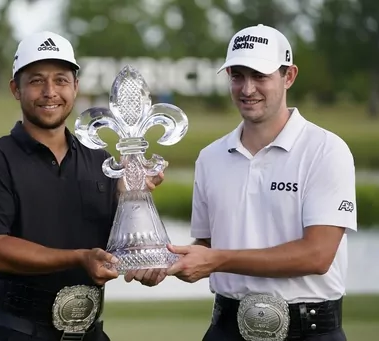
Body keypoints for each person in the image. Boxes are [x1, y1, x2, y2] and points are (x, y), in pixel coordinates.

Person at [126, 24, 357, 341]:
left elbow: (317, 255)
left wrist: (217, 260)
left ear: (289, 76)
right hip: (226, 329)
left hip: (309, 331)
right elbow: (206, 247)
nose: (247, 89)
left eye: (260, 76)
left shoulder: (326, 150)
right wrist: (164, 262)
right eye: (237, 76)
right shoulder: (211, 157)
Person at [0, 31, 164, 341]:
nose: (49, 92)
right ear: (16, 89)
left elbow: (117, 247)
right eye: (36, 81)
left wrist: (135, 214)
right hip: (17, 331)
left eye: (60, 80)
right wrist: (78, 258)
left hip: (91, 332)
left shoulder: (102, 161)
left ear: (75, 87)